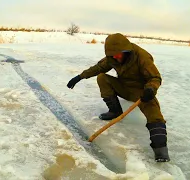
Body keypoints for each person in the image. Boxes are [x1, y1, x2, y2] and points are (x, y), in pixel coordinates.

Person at [66, 33, 170, 162]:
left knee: (155, 115)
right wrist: (80, 77)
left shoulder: (142, 57)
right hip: (123, 87)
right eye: (113, 55)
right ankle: (115, 110)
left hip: (141, 92)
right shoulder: (113, 57)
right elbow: (99, 68)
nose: (116, 57)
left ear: (127, 50)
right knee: (102, 77)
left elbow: (155, 77)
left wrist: (150, 89)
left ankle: (161, 150)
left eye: (119, 54)